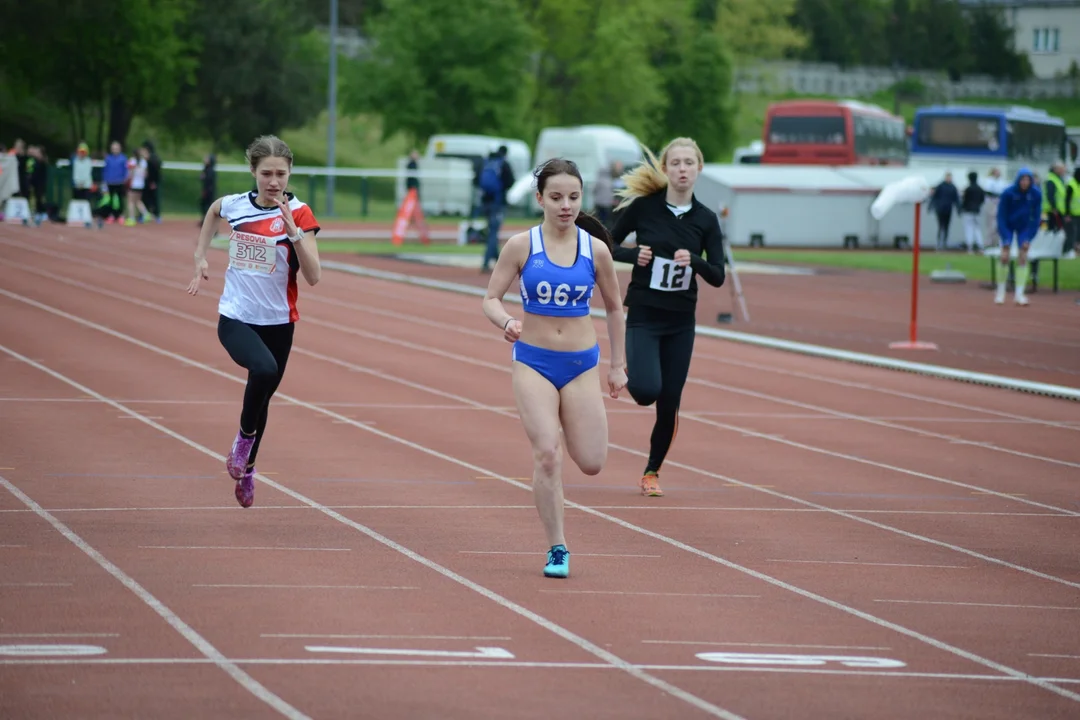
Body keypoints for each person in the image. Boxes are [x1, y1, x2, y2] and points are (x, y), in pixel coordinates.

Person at [481, 157, 628, 579]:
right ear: (540, 199)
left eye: (574, 197)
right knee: (547, 454)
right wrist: (507, 320)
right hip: (534, 362)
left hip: (581, 364)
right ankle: (557, 547)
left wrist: (618, 367)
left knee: (593, 461)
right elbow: (490, 298)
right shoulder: (521, 246)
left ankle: (569, 420)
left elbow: (616, 308)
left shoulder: (594, 249)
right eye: (557, 197)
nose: (566, 205)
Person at [186, 135, 322, 507]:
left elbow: (313, 276)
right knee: (262, 370)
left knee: (262, 398)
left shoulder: (302, 213)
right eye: (267, 173)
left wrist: (294, 234)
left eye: (281, 173)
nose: (274, 181)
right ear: (253, 172)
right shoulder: (236, 206)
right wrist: (200, 255)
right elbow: (213, 211)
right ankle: (243, 441)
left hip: (280, 322)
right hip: (237, 317)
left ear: (290, 173)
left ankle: (247, 470)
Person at [609, 138, 726, 497]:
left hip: (680, 323)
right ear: (664, 168)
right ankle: (629, 370)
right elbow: (605, 243)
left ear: (699, 169)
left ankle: (651, 471)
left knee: (669, 401)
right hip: (644, 315)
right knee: (645, 392)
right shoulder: (644, 208)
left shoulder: (706, 219)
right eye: (675, 163)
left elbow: (718, 275)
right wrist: (632, 256)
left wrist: (697, 261)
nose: (682, 169)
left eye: (689, 163)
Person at [994, 167, 1042, 306]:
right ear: (1018, 180)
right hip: (1008, 224)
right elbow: (1001, 216)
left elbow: (1036, 216)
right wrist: (1005, 238)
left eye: (1028, 180)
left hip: (1024, 226)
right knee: (1004, 256)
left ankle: (1019, 294)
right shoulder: (1008, 193)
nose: (1025, 182)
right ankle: (1000, 292)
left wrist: (1029, 237)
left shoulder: (1036, 194)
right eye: (1023, 179)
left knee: (1023, 255)